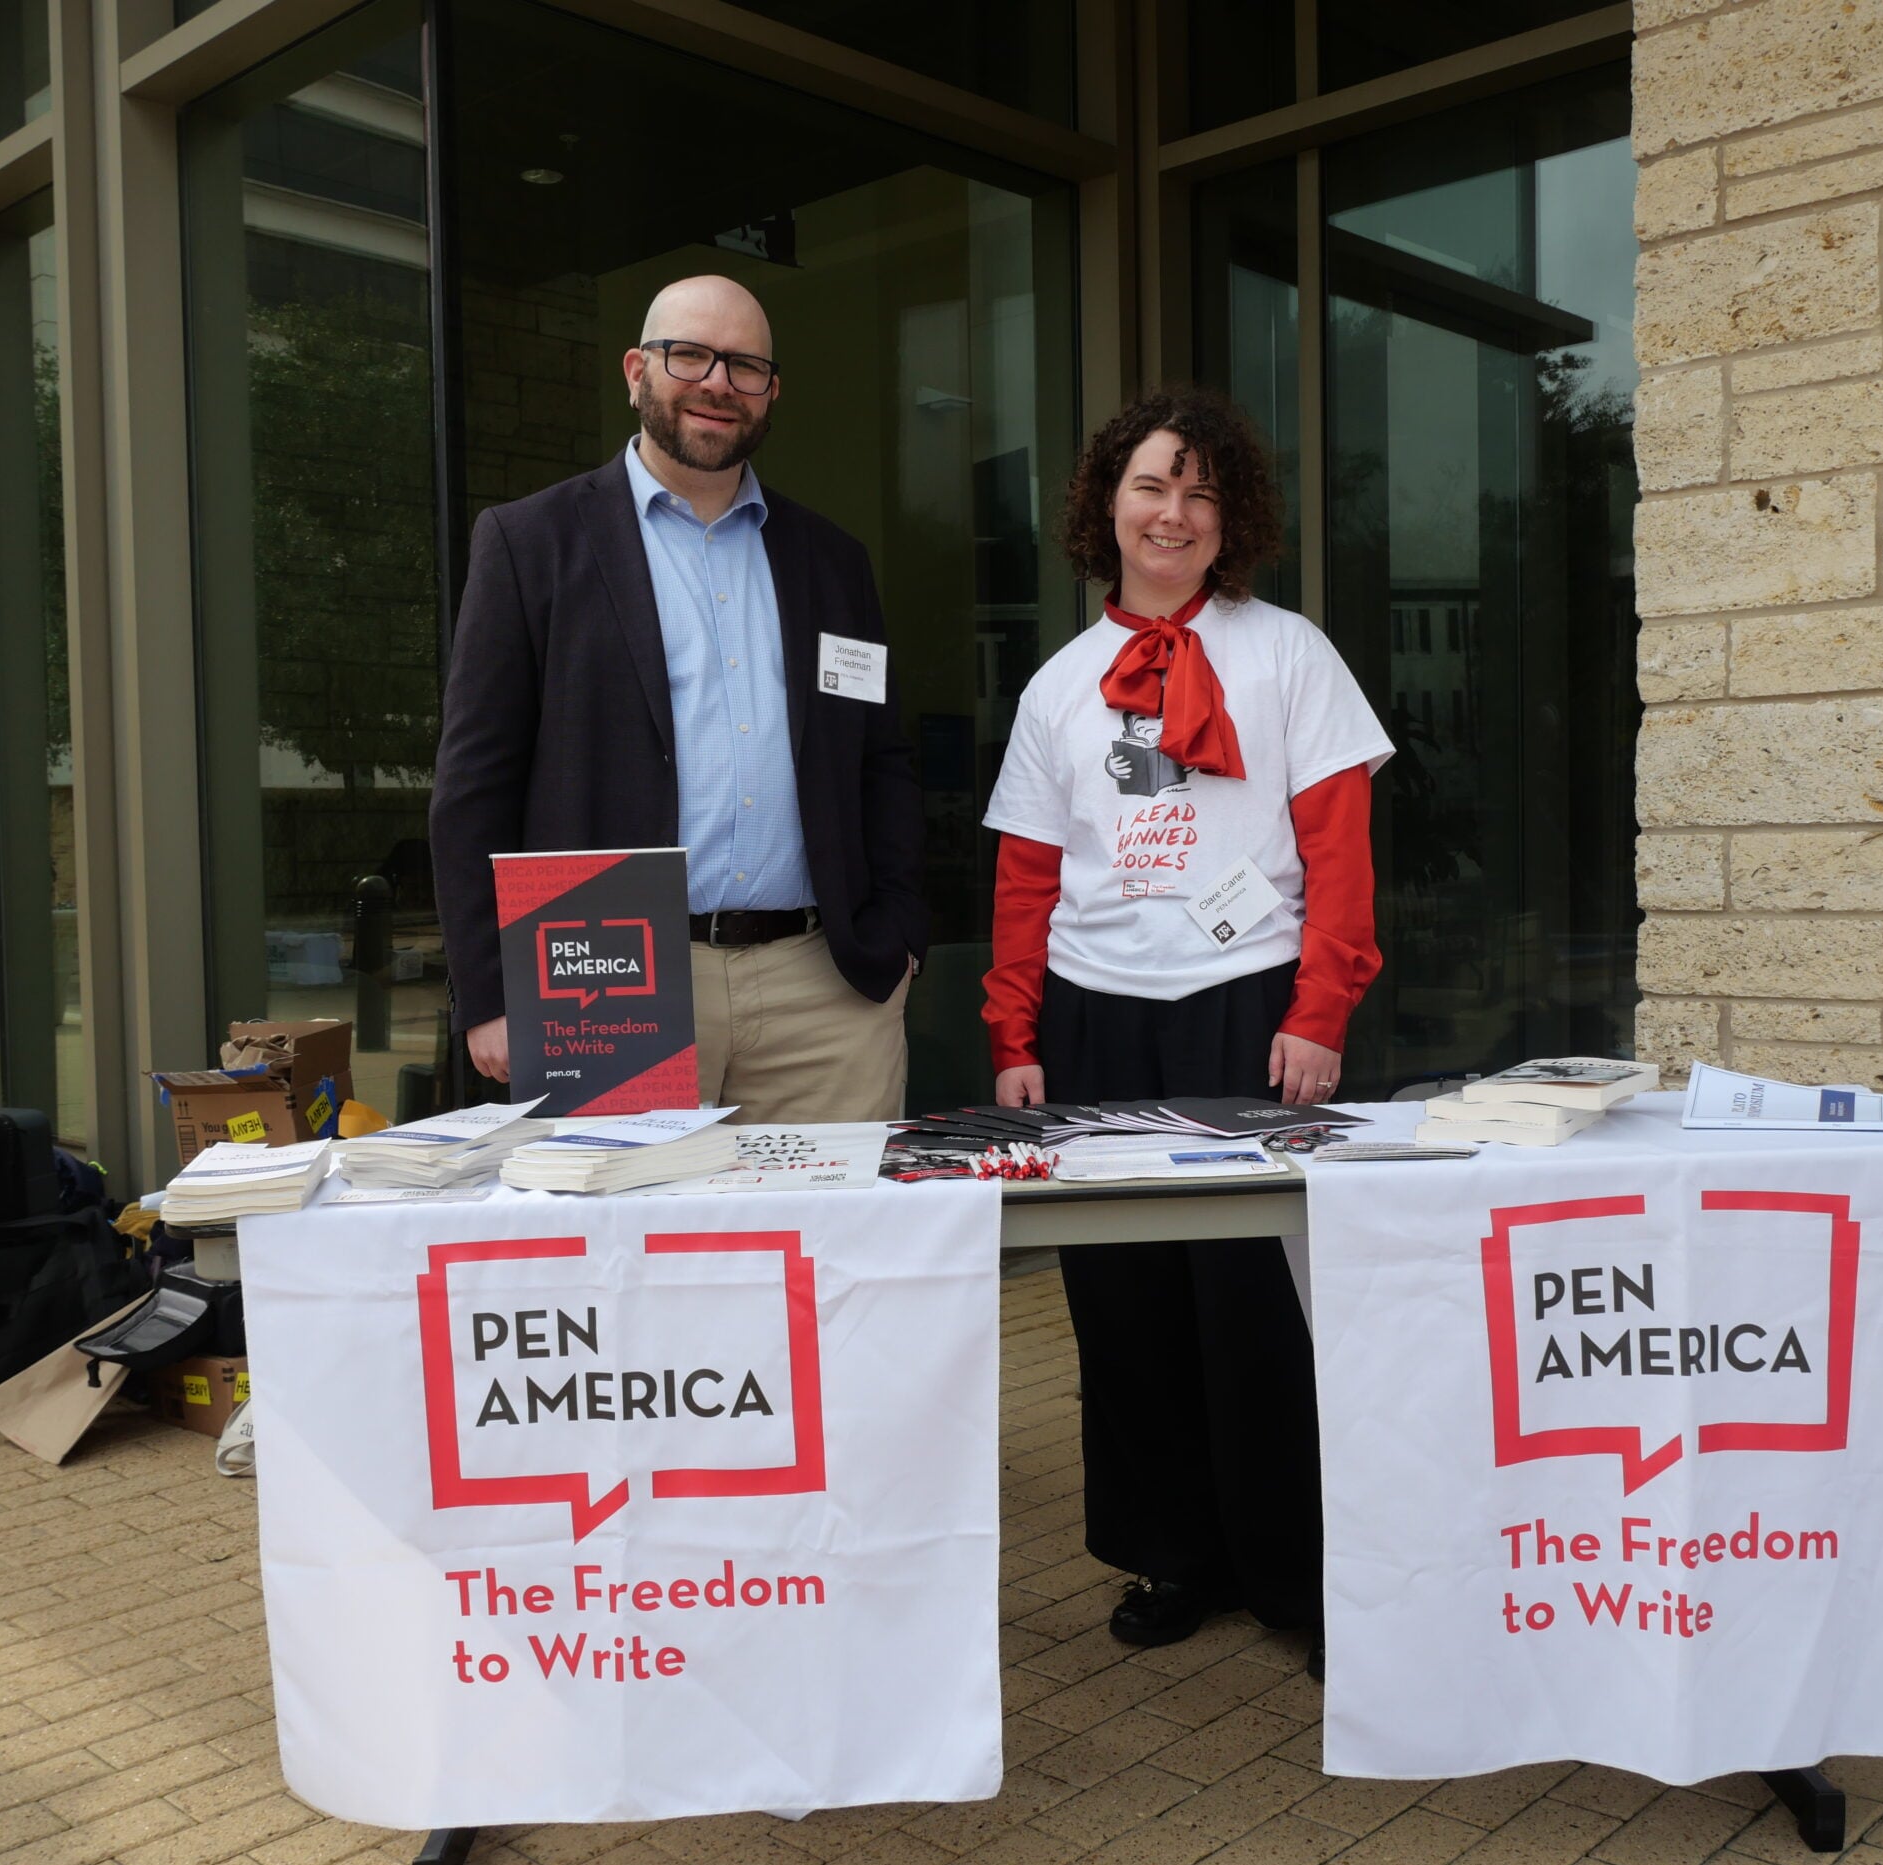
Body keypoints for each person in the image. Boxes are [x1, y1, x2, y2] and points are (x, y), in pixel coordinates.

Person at [980, 388, 1390, 1673]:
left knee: (1259, 1304)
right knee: (1126, 1302)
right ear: (1109, 503)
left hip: (1246, 1013)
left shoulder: (1288, 656)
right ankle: (1175, 1553)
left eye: (1201, 492)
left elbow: (1339, 856)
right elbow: (1025, 883)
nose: (1175, 512)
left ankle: (1296, 1574)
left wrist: (1320, 1013)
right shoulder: (1056, 687)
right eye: (1152, 486)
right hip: (1097, 1025)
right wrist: (1014, 1035)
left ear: (1232, 521)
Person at [430, 275, 925, 1122]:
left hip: (824, 990)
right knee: (632, 1249)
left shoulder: (834, 561)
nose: (718, 383)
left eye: (745, 366)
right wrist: (489, 989)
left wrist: (901, 935)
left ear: (772, 393)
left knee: (832, 1247)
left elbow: (883, 763)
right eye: (689, 355)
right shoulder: (529, 543)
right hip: (605, 974)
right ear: (636, 371)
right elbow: (474, 785)